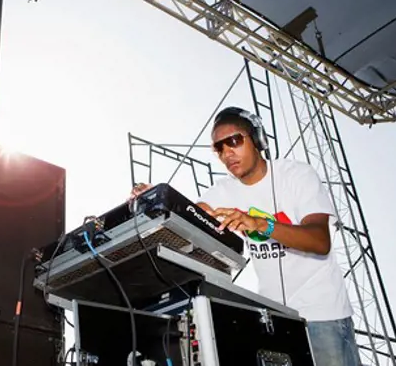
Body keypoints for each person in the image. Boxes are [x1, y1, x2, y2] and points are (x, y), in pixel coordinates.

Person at [132, 106, 359, 366]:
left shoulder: (296, 175)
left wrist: (262, 225)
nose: (228, 153)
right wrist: (156, 198)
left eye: (234, 141)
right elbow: (190, 216)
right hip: (276, 319)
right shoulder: (222, 191)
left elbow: (320, 241)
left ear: (257, 139)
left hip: (323, 314)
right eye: (219, 148)